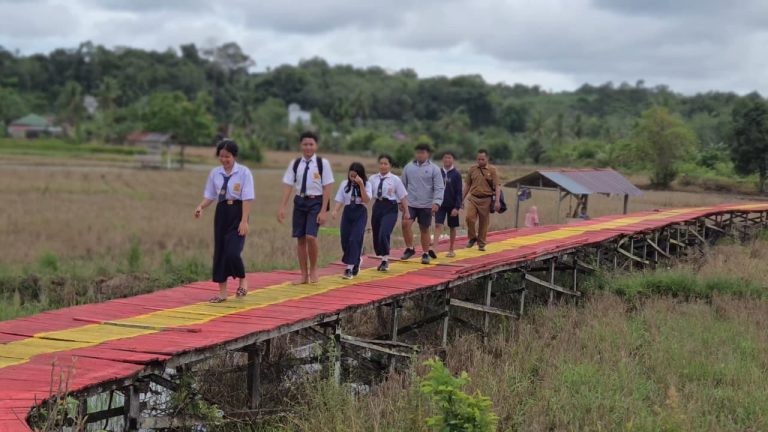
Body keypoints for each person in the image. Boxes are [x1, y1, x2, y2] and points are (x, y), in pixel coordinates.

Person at [194, 138, 255, 303]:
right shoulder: (215, 173)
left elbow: (248, 198)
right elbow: (210, 195)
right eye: (221, 156)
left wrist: (244, 221)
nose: (224, 160)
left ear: (234, 156)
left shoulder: (244, 172)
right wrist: (201, 207)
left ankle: (242, 279)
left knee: (233, 252)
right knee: (220, 251)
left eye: (227, 157)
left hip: (238, 211)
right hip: (222, 212)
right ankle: (222, 293)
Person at [278, 131, 334, 284]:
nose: (308, 147)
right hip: (299, 202)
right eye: (305, 144)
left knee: (311, 236)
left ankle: (314, 270)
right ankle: (303, 275)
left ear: (316, 146)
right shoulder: (295, 164)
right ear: (300, 145)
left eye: (311, 144)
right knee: (300, 238)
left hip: (315, 202)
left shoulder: (323, 164)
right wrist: (282, 206)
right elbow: (289, 185)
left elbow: (328, 187)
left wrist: (323, 211)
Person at [400, 143, 445, 264]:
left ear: (428, 154)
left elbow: (439, 187)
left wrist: (437, 202)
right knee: (405, 224)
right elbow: (402, 185)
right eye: (418, 152)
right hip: (410, 203)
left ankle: (425, 253)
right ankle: (410, 248)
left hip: (426, 204)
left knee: (424, 228)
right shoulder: (408, 167)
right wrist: (400, 200)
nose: (419, 155)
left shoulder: (434, 169)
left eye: (422, 153)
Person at [331, 163, 373, 279]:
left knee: (354, 238)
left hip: (360, 212)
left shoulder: (367, 184)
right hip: (348, 212)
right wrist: (335, 210)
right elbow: (340, 199)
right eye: (351, 175)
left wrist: (360, 185)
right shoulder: (344, 184)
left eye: (355, 176)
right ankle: (356, 259)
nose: (353, 178)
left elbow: (366, 200)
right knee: (345, 239)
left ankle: (349, 269)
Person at [369, 154, 409, 272]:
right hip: (377, 206)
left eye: (385, 164)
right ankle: (381, 256)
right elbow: (367, 194)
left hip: (390, 207)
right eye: (381, 163)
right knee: (376, 234)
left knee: (384, 233)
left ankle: (385, 260)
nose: (383, 166)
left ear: (390, 165)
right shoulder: (372, 179)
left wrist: (406, 212)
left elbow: (402, 196)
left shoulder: (395, 179)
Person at [462, 149, 501, 252]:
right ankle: (472, 237)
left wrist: (497, 201)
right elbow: (467, 185)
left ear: (487, 158)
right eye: (478, 159)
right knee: (469, 218)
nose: (480, 161)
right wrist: (461, 199)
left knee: (483, 223)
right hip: (473, 198)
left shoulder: (492, 170)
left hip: (486, 199)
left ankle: (481, 243)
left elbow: (497, 186)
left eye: (482, 159)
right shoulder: (472, 169)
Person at [434, 151, 462, 257]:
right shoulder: (438, 173)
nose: (447, 160)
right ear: (442, 159)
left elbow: (459, 192)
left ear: (453, 160)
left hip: (452, 205)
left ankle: (451, 249)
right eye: (445, 158)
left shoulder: (456, 174)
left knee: (452, 227)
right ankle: (434, 249)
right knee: (438, 225)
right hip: (439, 204)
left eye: (449, 158)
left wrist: (457, 207)